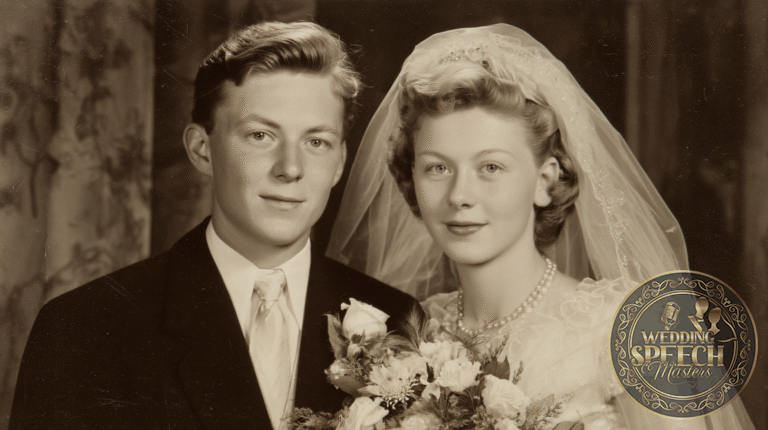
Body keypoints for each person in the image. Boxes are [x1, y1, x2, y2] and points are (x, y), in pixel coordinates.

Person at [327, 24, 756, 429]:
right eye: (437, 168)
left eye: (490, 166)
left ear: (545, 181)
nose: (460, 195)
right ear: (411, 178)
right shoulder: (409, 334)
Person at [10, 21, 421, 430]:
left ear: (339, 163)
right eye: (260, 135)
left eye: (316, 142)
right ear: (201, 149)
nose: (291, 169)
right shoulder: (84, 327)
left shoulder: (397, 321)